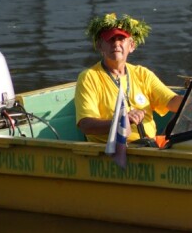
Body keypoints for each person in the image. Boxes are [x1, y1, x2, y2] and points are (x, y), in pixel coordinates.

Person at [74, 13, 182, 143]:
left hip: (150, 146)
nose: (116, 44)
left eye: (121, 39)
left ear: (131, 46)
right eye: (110, 39)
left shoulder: (142, 74)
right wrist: (121, 121)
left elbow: (172, 102)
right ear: (99, 45)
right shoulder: (89, 77)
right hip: (113, 150)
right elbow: (86, 125)